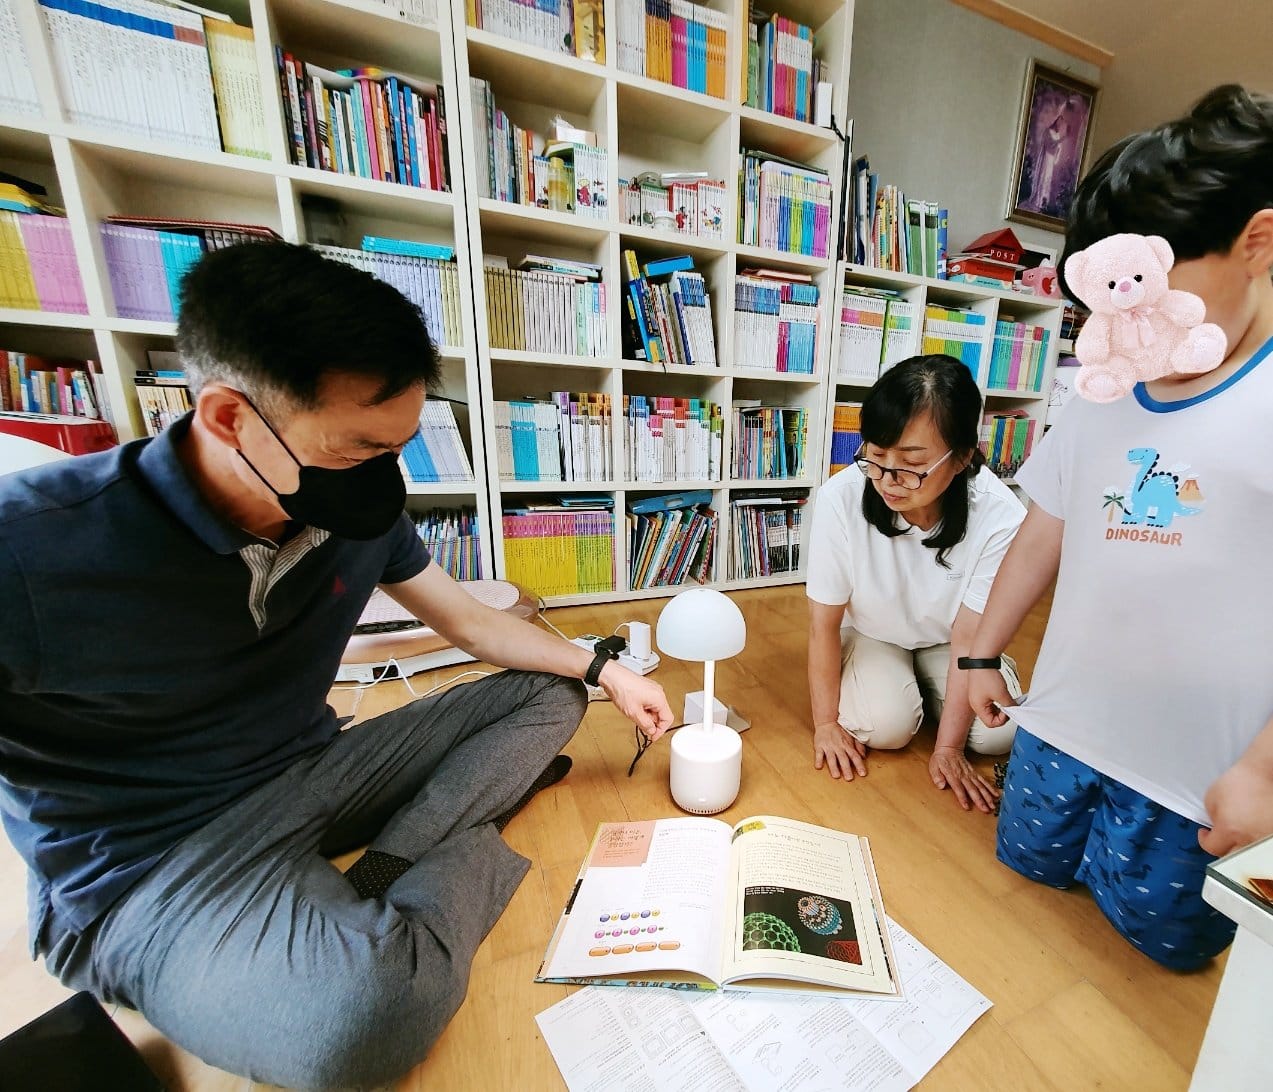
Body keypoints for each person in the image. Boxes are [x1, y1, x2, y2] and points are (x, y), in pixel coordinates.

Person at [0, 241, 674, 1089]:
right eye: (357, 450)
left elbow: (470, 620)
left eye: (398, 447)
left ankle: (390, 863)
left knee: (554, 689)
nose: (383, 478)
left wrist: (606, 671)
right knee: (361, 1024)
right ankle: (448, 840)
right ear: (229, 417)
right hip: (154, 866)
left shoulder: (354, 510)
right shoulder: (29, 548)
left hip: (312, 768)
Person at [967, 84, 1273, 971]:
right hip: (1060, 727)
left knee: (1156, 949)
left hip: (1192, 776)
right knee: (1024, 873)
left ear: (1256, 243)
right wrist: (981, 654)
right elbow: (1043, 529)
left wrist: (1261, 773)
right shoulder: (1101, 389)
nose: (1126, 327)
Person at [805, 354, 1025, 813]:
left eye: (911, 463)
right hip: (873, 633)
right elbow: (822, 624)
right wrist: (825, 724)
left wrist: (948, 749)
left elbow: (968, 636)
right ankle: (903, 680)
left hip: (954, 640)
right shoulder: (839, 498)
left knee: (998, 734)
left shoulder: (1001, 514)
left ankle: (952, 679)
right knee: (886, 727)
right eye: (875, 456)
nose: (888, 480)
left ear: (961, 457)